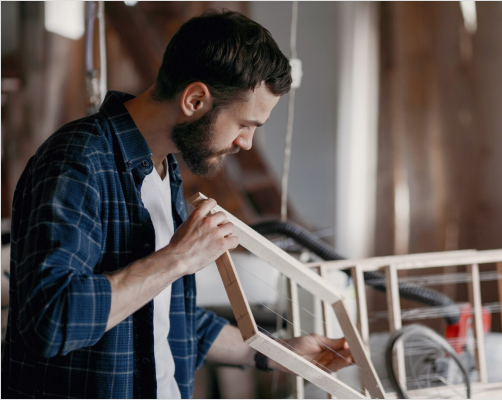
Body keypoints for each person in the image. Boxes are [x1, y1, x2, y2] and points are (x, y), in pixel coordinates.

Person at [1, 10, 353, 399]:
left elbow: (166, 316)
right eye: (245, 124)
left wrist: (281, 353)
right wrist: (178, 258)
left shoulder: (164, 168)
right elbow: (50, 319)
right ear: (195, 99)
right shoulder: (77, 160)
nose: (246, 143)